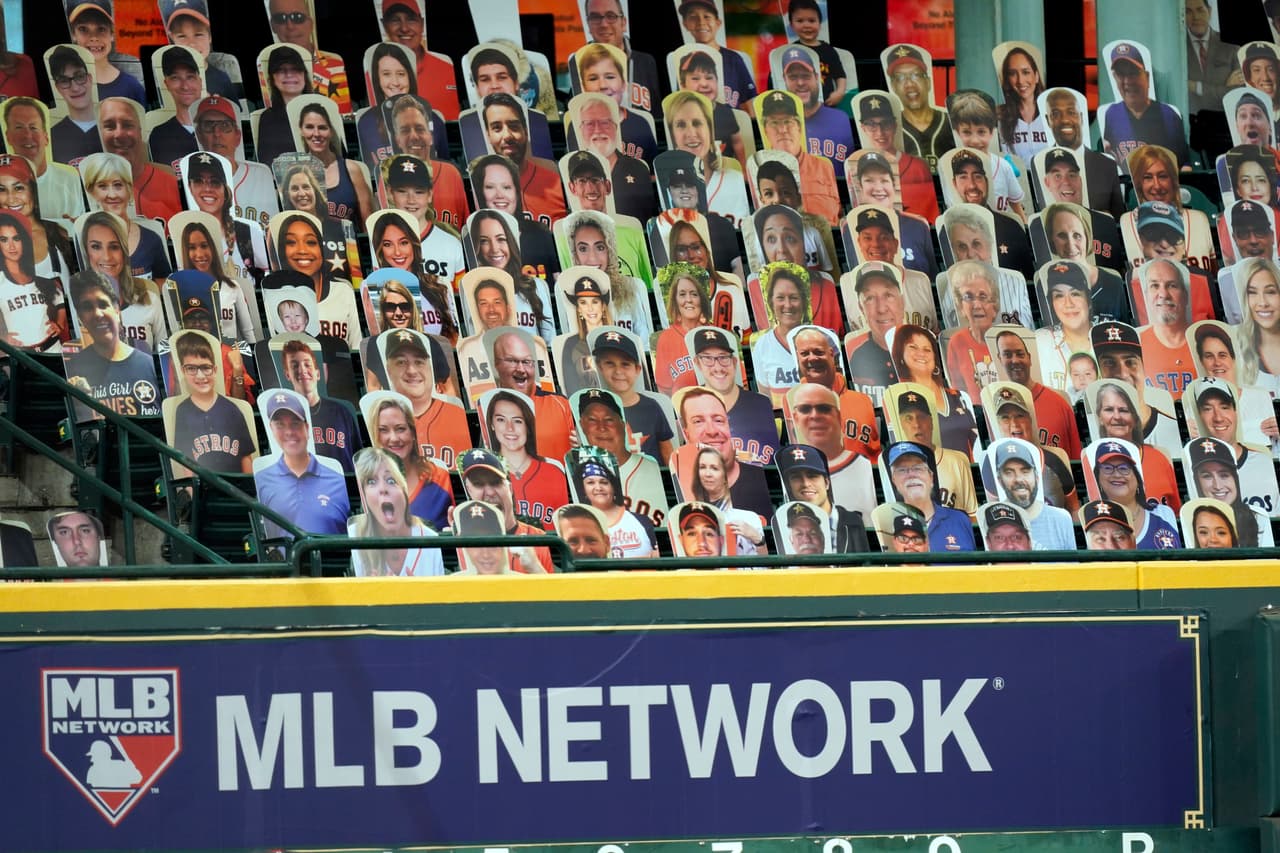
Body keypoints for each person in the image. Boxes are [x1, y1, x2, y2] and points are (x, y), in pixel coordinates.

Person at [64, 270, 161, 418]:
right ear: (80, 317)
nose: (97, 314)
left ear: (117, 311)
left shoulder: (147, 364)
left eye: (103, 304)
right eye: (88, 307)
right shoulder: (73, 369)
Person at [165, 330, 256, 476]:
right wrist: (191, 494)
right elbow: (186, 464)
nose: (200, 376)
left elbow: (246, 459)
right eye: (191, 369)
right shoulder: (182, 411)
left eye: (205, 368)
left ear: (214, 370)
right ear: (183, 371)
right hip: (204, 493)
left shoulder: (232, 409)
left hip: (236, 491)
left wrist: (249, 492)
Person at [575, 387, 668, 526]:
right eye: (592, 420)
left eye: (609, 420)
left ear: (622, 424)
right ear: (582, 425)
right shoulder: (575, 474)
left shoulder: (651, 469)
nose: (602, 427)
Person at [1186, 378, 1279, 517]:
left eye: (1224, 407)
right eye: (1208, 409)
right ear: (1199, 416)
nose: (1218, 417)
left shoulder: (1265, 461)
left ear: (1235, 411)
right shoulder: (1190, 469)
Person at [361, 390, 452, 530]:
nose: (394, 438)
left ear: (413, 433)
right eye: (383, 430)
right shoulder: (366, 481)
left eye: (401, 429)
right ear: (375, 435)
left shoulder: (440, 477)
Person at [787, 382, 878, 521]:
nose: (815, 416)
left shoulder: (864, 467)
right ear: (796, 418)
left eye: (824, 408)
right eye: (805, 409)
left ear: (838, 416)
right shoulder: (787, 470)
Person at [674, 386, 771, 516]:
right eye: (698, 421)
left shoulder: (761, 479)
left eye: (718, 420)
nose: (712, 431)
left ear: (730, 427)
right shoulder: (675, 488)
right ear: (686, 434)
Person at [347, 446, 443, 577]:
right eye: (371, 482)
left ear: (405, 491)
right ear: (364, 496)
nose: (383, 489)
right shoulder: (354, 535)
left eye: (391, 480)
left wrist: (418, 595)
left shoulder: (430, 539)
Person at [379, 328, 469, 468]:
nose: (412, 371)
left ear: (430, 368)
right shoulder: (378, 423)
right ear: (389, 370)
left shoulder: (457, 416)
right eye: (401, 362)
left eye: (419, 362)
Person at [78, 210, 166, 352]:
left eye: (114, 246)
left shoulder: (150, 298)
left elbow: (164, 359)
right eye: (96, 246)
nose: (106, 257)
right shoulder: (76, 302)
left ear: (124, 251)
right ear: (86, 252)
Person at [1092, 320, 1183, 457]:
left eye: (1130, 362)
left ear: (1144, 369)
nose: (1122, 374)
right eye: (1109, 363)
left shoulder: (1174, 430)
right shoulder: (1089, 431)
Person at [484, 389, 569, 531]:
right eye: (501, 419)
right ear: (492, 424)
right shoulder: (482, 473)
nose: (509, 428)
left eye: (517, 421)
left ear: (527, 426)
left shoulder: (554, 471)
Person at [182, 151, 269, 287]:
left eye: (215, 182)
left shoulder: (249, 230)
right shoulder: (185, 236)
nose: (207, 188)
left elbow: (267, 275)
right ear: (190, 187)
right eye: (198, 181)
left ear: (225, 189)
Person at [78, 153, 170, 283]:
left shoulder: (151, 239)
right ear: (92, 192)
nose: (112, 194)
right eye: (103, 186)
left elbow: (163, 285)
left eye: (118, 185)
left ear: (129, 189)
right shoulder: (84, 240)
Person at [273, 211, 360, 348]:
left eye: (311, 242)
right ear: (282, 250)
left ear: (321, 248)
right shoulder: (275, 298)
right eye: (291, 242)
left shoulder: (343, 291)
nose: (302, 250)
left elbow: (357, 347)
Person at [992, 327, 1082, 458]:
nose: (1015, 360)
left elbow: (1075, 459)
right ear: (1000, 359)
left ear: (1029, 358)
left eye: (1020, 354)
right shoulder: (993, 409)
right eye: (1007, 355)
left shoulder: (1059, 402)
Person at [939, 205, 1034, 328]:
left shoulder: (1016, 284)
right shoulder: (950, 290)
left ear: (990, 246)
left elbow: (1028, 332)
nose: (971, 254)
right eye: (962, 247)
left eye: (976, 244)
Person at [793, 325, 879, 460]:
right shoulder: (790, 403)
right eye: (804, 353)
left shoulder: (863, 401)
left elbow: (875, 454)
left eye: (818, 352)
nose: (812, 358)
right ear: (798, 358)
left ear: (831, 354)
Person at [564, 210, 651, 343]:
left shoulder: (632, 287)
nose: (592, 258)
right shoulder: (566, 294)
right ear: (574, 253)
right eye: (583, 249)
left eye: (600, 247)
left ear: (610, 249)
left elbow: (644, 338)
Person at [1188, 321, 1278, 451]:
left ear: (1233, 358)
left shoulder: (1261, 397)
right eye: (1209, 356)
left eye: (1222, 355)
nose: (1217, 362)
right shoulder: (1192, 408)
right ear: (1202, 362)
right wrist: (1185, 435)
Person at [370, 209, 457, 342]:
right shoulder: (374, 288)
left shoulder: (439, 283)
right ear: (380, 250)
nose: (397, 252)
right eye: (388, 245)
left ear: (413, 244)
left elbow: (453, 336)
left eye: (404, 242)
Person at [664, 89, 748, 227]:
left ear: (710, 130)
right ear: (673, 135)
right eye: (680, 125)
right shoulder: (665, 189)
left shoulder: (736, 180)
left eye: (697, 123)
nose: (691, 133)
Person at [1101, 43, 1192, 169]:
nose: (1127, 81)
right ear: (1115, 78)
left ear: (1147, 77)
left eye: (1133, 73)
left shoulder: (1169, 115)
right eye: (1121, 74)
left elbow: (1185, 165)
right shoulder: (1111, 114)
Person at [847, 207, 938, 333]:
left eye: (884, 237)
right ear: (859, 243)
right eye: (867, 238)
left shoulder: (921, 280)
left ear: (895, 244)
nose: (876, 244)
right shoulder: (846, 284)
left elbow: (935, 332)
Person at [1039, 202, 1133, 324]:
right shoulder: (1046, 285)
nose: (1071, 244)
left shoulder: (1114, 282)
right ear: (1051, 240)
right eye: (1062, 235)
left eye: (1077, 235)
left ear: (1087, 238)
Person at [386, 95, 471, 229]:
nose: (413, 136)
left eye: (419, 129)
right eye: (405, 130)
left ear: (430, 137)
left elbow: (464, 227)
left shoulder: (451, 173)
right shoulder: (386, 177)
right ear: (397, 140)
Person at [489, 329, 574, 462]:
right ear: (497, 364)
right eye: (512, 361)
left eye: (527, 362)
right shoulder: (487, 407)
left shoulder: (560, 404)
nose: (521, 369)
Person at [469, 210, 554, 343]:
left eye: (501, 239)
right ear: (477, 246)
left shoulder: (536, 285)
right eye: (484, 241)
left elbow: (549, 340)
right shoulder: (471, 289)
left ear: (511, 242)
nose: (494, 249)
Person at [1041, 86, 1127, 219]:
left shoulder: (1106, 164)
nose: (1065, 120)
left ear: (1081, 117)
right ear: (1048, 120)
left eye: (1071, 112)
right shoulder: (1040, 165)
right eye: (1056, 114)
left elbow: (1118, 217)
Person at [481, 93, 567, 224]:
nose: (507, 135)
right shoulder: (477, 190)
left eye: (514, 126)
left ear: (525, 131)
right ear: (488, 135)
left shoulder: (557, 184)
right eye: (497, 128)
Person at [756, 90, 839, 225]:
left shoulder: (824, 167)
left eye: (788, 121)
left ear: (799, 127)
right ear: (765, 130)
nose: (782, 129)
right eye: (774, 123)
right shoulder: (757, 170)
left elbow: (838, 212)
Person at [892, 325, 976, 458]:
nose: (921, 354)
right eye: (913, 347)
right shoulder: (896, 399)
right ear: (901, 354)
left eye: (927, 350)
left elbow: (976, 445)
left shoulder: (959, 397)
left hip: (964, 473)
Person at [593, 329, 676, 463]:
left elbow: (667, 452)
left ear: (637, 369)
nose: (618, 371)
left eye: (625, 364)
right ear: (600, 366)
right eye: (610, 363)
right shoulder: (593, 411)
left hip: (651, 481)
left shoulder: (651, 407)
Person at [279, 337, 360, 472]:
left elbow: (358, 459)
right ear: (287, 375)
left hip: (342, 489)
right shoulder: (280, 417)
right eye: (294, 365)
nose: (302, 370)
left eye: (307, 364)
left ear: (318, 374)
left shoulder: (342, 412)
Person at [96, 97, 181, 223]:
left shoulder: (170, 182)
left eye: (127, 125)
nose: (119, 134)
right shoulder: (88, 187)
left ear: (140, 132)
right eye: (110, 126)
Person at [0, 155, 77, 291]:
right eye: (1, 190)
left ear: (33, 191)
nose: (11, 199)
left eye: (19, 188)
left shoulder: (62, 232)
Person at [571, 42, 657, 165]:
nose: (603, 85)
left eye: (610, 77)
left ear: (623, 84)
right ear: (583, 87)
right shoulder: (574, 125)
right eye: (593, 78)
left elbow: (653, 172)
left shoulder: (641, 123)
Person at [293, 99, 373, 229]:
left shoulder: (351, 169)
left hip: (349, 246)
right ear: (301, 131)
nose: (316, 134)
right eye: (309, 127)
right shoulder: (293, 172)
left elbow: (367, 223)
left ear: (331, 131)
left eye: (322, 128)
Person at [3, 97, 85, 223]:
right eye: (19, 127)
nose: (27, 135)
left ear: (46, 137)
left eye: (33, 127)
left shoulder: (70, 179)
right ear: (8, 137)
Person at [1088, 439, 1181, 549]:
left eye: (1124, 468)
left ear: (1136, 476)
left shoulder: (1163, 513)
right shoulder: (1090, 519)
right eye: (1108, 468)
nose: (1117, 474)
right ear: (1098, 477)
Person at [883, 441, 975, 552]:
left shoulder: (960, 519)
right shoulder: (887, 527)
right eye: (902, 470)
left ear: (931, 476)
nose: (911, 474)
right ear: (894, 480)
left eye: (918, 468)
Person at [568, 447, 658, 559]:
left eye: (604, 482)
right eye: (590, 482)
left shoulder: (642, 521)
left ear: (613, 487)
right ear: (583, 490)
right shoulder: (578, 528)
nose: (598, 487)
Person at [779, 45, 854, 178]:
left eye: (806, 76)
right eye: (793, 77)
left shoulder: (841, 119)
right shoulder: (776, 125)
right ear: (784, 79)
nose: (801, 82)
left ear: (816, 77)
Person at [0, 210, 69, 351]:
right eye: (4, 240)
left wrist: (59, 324)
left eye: (16, 238)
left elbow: (60, 299)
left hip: (53, 350)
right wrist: (2, 336)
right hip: (23, 359)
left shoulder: (39, 275)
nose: (11, 246)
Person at [377, 0, 459, 119]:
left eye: (411, 19)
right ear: (384, 25)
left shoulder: (448, 67)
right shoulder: (373, 74)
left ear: (422, 23)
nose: (404, 28)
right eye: (395, 20)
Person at [990, 438, 1076, 549]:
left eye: (1025, 471)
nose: (1019, 479)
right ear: (999, 480)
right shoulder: (991, 525)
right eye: (1009, 472)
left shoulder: (1061, 518)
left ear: (1036, 476)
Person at [265, 0, 350, 112]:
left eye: (298, 17)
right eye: (280, 18)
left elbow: (344, 118)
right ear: (273, 26)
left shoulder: (337, 65)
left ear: (310, 23)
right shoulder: (264, 72)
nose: (290, 26)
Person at [1186, 435, 1270, 547]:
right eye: (1207, 476)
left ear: (1235, 478)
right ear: (1197, 481)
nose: (1218, 486)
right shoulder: (1189, 519)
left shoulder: (1260, 517)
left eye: (1224, 475)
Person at [582, 0, 660, 118]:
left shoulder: (647, 62)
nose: (603, 24)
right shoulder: (577, 64)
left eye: (611, 16)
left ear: (623, 23)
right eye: (595, 17)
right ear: (588, 25)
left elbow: (659, 115)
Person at [945, 147, 1028, 255]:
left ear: (987, 182)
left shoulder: (1011, 227)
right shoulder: (946, 232)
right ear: (954, 183)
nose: (972, 185)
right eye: (963, 177)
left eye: (978, 176)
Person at [279, 160, 353, 281]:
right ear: (288, 195)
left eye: (306, 187)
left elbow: (356, 273)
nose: (301, 193)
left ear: (315, 190)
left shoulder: (343, 227)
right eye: (294, 188)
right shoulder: (282, 232)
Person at [884, 44, 953, 172]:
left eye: (916, 75)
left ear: (928, 82)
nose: (909, 84)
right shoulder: (887, 130)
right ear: (893, 86)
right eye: (900, 78)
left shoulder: (952, 123)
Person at [677, 0, 756, 111]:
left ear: (718, 23)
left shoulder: (734, 59)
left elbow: (748, 104)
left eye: (707, 16)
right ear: (685, 23)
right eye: (693, 17)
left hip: (733, 125)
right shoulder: (682, 61)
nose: (701, 22)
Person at [1035, 259, 1096, 400]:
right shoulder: (1039, 342)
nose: (1068, 304)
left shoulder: (1110, 336)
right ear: (1052, 304)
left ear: (1088, 299)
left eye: (1075, 294)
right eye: (1059, 296)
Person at [1135, 258, 1196, 400]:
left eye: (1172, 285)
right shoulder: (1133, 344)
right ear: (1146, 297)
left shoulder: (1208, 340)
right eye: (1155, 286)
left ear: (1185, 296)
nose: (1163, 294)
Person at [751, 260, 810, 402]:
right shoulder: (762, 345)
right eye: (780, 298)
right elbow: (766, 398)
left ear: (803, 302)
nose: (788, 305)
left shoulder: (821, 339)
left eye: (794, 298)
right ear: (771, 303)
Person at [689, 445, 764, 555]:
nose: (707, 474)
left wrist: (757, 538)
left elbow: (767, 565)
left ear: (726, 476)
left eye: (714, 468)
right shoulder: (689, 514)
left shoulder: (749, 517)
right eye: (702, 467)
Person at [66, 0, 144, 103]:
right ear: (73, 34)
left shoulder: (132, 88)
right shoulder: (63, 87)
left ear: (112, 34)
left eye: (101, 29)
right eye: (83, 29)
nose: (93, 37)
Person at [158, 0, 238, 100]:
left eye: (198, 34)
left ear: (209, 36)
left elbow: (236, 112)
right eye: (182, 36)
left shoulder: (222, 79)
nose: (191, 43)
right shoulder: (166, 83)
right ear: (172, 39)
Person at [655, 262, 711, 395]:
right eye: (682, 294)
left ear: (701, 300)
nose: (689, 299)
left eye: (694, 294)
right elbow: (664, 389)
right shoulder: (666, 338)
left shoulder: (715, 333)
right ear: (675, 301)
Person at [257, 45, 314, 169]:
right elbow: (268, 163)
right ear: (273, 78)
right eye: (281, 70)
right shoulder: (268, 118)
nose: (289, 74)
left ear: (304, 74)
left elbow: (339, 158)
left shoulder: (323, 110)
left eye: (295, 69)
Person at [148, 47, 203, 171]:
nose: (185, 86)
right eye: (175, 78)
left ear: (200, 82)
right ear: (166, 84)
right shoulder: (159, 136)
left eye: (190, 77)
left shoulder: (222, 127)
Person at [46, 45, 103, 166]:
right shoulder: (50, 139)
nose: (75, 88)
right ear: (58, 88)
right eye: (64, 80)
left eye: (79, 76)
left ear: (89, 79)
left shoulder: (116, 127)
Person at [1186, 0, 1242, 115]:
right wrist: (1223, 88)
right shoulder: (1177, 49)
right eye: (1188, 11)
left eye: (1200, 10)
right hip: (1192, 122)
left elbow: (1238, 94)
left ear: (1209, 11)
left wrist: (1196, 87)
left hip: (1226, 121)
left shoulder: (1231, 45)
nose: (1196, 17)